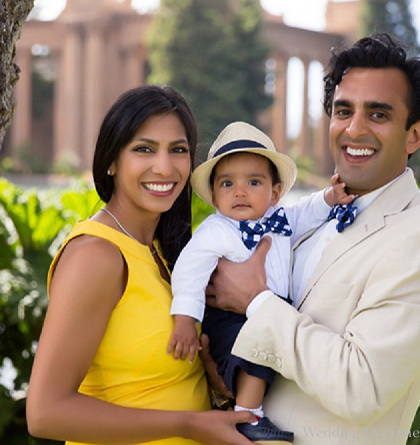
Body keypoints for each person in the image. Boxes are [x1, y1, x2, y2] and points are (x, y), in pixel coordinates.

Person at [205, 33, 420, 445]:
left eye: (378, 115)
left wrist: (256, 302)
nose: (354, 129)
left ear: (414, 134)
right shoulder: (306, 214)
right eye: (343, 111)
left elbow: (361, 388)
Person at [25, 85, 257, 445]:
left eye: (178, 150)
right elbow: (45, 413)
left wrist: (213, 376)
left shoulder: (165, 253)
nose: (164, 167)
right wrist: (189, 425)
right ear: (111, 161)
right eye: (144, 149)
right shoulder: (96, 255)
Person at [167, 121, 354, 444]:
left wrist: (330, 197)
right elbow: (190, 270)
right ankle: (248, 416)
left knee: (266, 353)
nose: (240, 191)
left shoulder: (280, 220)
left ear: (275, 193)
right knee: (256, 353)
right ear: (213, 195)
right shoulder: (216, 231)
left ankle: (252, 407)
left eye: (253, 182)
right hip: (229, 316)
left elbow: (306, 211)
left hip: (269, 310)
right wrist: (185, 320)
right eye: (227, 184)